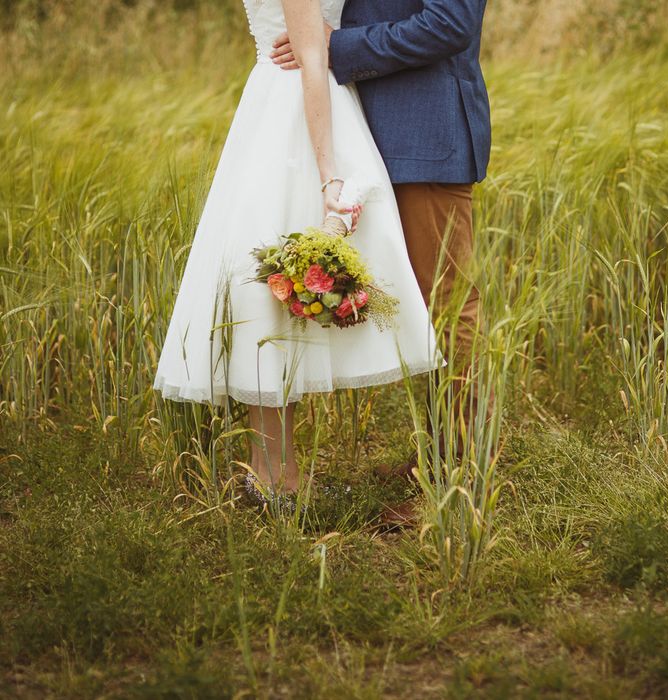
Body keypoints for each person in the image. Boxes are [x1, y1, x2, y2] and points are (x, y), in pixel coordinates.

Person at [153, 0, 442, 505]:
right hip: (301, 117)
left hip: (280, 105)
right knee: (276, 293)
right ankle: (275, 478)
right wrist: (330, 174)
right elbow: (310, 54)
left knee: (272, 298)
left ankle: (271, 474)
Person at [270, 0, 491, 521]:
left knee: (447, 304)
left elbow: (451, 24)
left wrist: (335, 46)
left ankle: (458, 481)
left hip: (424, 133)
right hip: (368, 132)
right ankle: (437, 459)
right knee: (420, 308)